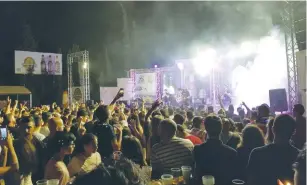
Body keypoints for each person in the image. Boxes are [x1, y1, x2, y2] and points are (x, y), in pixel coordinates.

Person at [247, 114, 300, 185]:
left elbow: (251, 181)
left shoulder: (257, 153)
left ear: (273, 129)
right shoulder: (299, 157)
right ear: (294, 132)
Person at [193, 115, 237, 185]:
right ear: (221, 128)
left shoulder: (197, 149)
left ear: (206, 128)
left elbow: (196, 174)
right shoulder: (231, 152)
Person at [13, 116, 45, 185]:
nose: (26, 131)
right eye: (23, 128)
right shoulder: (14, 144)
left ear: (34, 127)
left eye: (29, 127)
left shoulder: (40, 145)